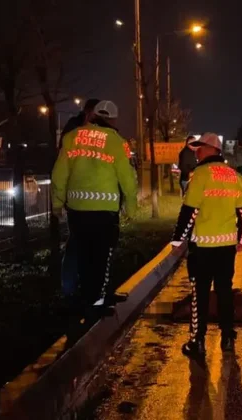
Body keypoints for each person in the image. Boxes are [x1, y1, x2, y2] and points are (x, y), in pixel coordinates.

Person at [52, 100, 138, 318]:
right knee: (101, 257)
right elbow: (128, 177)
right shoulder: (118, 142)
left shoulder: (71, 138)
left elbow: (59, 174)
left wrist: (57, 203)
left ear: (92, 115)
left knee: (82, 255)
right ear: (112, 119)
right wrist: (131, 206)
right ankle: (96, 304)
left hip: (77, 209)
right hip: (104, 210)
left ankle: (83, 299)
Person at [170, 133, 242, 358]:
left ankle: (198, 341)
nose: (196, 152)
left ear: (211, 149)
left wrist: (178, 239)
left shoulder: (200, 175)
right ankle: (227, 336)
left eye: (200, 148)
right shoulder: (234, 175)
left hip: (203, 247)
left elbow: (189, 211)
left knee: (200, 293)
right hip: (226, 246)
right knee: (225, 290)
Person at [59, 98, 100, 297]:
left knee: (85, 244)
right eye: (97, 114)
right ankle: (73, 290)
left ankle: (84, 288)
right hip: (78, 199)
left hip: (92, 198)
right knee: (77, 243)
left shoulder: (76, 131)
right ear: (89, 113)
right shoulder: (74, 133)